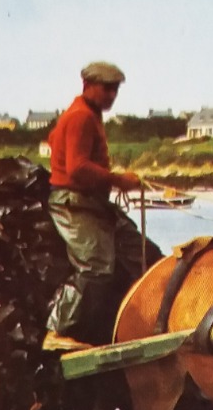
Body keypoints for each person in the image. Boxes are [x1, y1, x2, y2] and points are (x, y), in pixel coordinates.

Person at [42, 61, 146, 351]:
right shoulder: (81, 117)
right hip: (72, 203)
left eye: (115, 89)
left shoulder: (87, 114)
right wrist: (117, 179)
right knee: (96, 266)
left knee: (138, 251)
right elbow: (76, 168)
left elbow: (54, 140)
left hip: (91, 202)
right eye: (107, 88)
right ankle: (55, 331)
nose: (112, 95)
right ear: (88, 86)